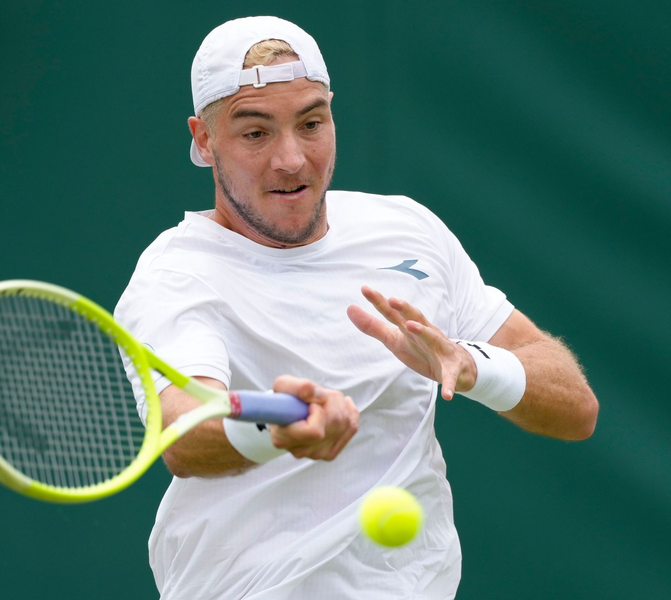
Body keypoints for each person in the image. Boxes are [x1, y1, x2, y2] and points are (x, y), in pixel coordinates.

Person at [115, 15, 598, 600]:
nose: (292, 159)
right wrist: (277, 432)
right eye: (256, 133)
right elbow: (183, 433)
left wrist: (472, 365)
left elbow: (577, 409)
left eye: (311, 123)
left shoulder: (407, 230)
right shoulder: (177, 274)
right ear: (203, 139)